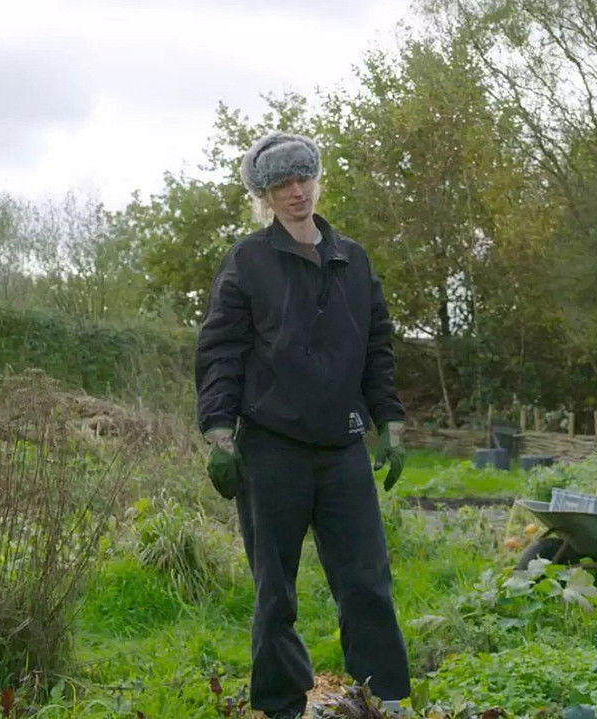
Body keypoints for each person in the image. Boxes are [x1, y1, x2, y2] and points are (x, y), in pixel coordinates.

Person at [195, 132, 411, 718]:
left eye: (304, 178)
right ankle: (280, 706)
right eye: (282, 184)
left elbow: (377, 348)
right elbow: (221, 351)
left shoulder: (352, 258)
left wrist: (388, 420)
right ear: (264, 195)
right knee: (275, 591)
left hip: (342, 448)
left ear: (317, 178)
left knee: (366, 582)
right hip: (271, 450)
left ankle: (385, 698)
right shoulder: (248, 261)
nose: (296, 192)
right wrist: (218, 431)